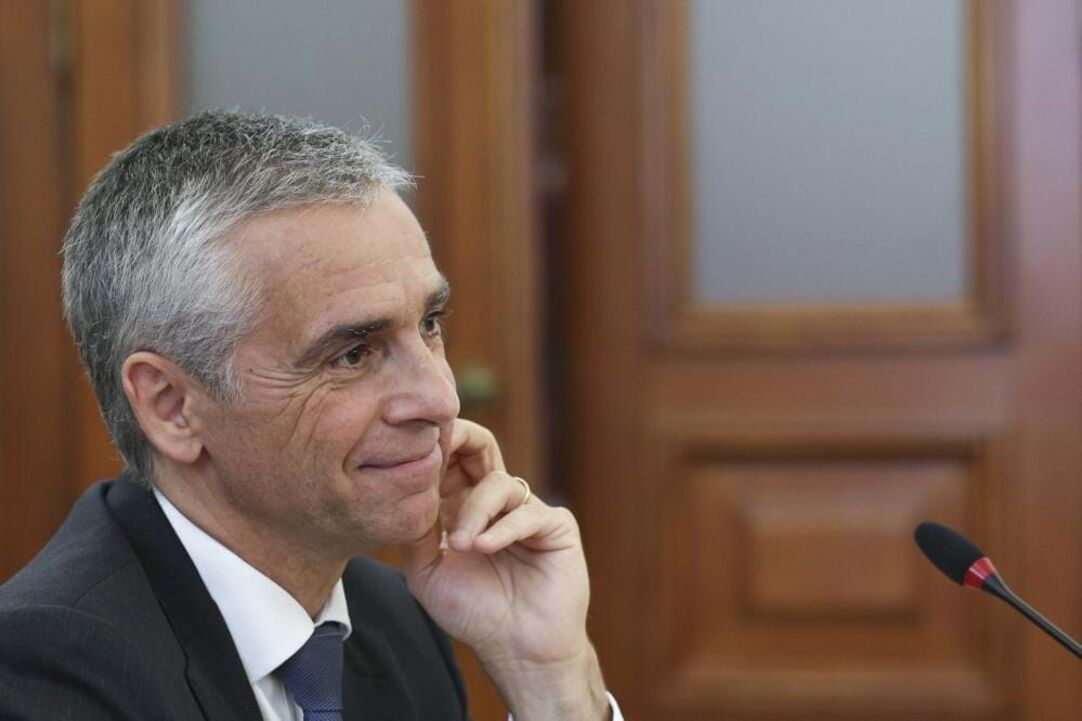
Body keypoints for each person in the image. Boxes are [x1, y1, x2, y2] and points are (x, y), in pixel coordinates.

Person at [0, 111, 621, 721]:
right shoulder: (40, 675)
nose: (440, 399)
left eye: (430, 324)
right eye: (352, 354)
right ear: (172, 406)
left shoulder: (395, 620)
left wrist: (552, 685)